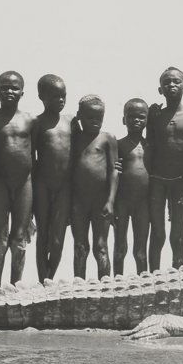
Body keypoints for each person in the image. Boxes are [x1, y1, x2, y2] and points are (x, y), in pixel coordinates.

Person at [146, 67, 183, 271]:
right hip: (158, 181)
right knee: (158, 233)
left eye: (176, 81)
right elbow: (149, 147)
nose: (171, 85)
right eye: (166, 82)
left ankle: (177, 274)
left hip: (181, 180)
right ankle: (152, 277)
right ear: (160, 89)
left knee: (177, 233)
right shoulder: (155, 116)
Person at [0, 70, 34, 286]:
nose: (9, 91)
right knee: (0, 238)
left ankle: (16, 289)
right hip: (0, 183)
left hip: (25, 184)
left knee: (20, 239)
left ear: (22, 92)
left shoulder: (31, 120)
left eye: (14, 88)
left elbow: (37, 156)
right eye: (4, 87)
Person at [70, 94, 118, 279]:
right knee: (80, 246)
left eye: (99, 118)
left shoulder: (107, 139)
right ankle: (79, 288)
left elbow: (114, 170)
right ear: (80, 116)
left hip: (101, 200)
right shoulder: (75, 139)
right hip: (79, 202)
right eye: (90, 117)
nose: (95, 122)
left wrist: (110, 201)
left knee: (101, 246)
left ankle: (105, 288)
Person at [32, 74, 74, 282]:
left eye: (63, 96)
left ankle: (50, 278)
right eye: (55, 96)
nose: (60, 100)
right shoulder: (36, 123)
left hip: (64, 187)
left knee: (58, 238)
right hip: (42, 185)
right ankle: (42, 282)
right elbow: (30, 157)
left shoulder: (72, 122)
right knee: (43, 236)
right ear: (42, 97)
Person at [114, 98, 151, 275]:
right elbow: (113, 172)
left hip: (143, 203)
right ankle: (115, 286)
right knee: (120, 247)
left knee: (141, 251)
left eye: (141, 117)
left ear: (147, 120)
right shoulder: (118, 144)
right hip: (122, 201)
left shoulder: (150, 146)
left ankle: (143, 285)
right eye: (131, 117)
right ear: (124, 119)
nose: (136, 120)